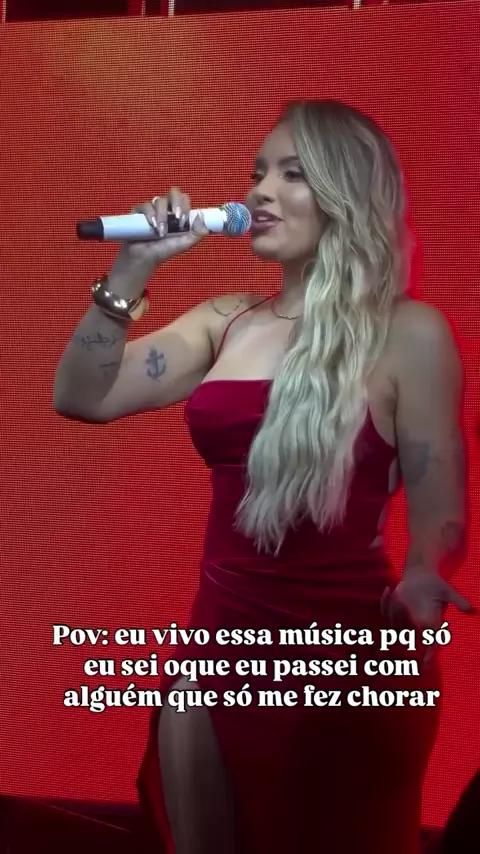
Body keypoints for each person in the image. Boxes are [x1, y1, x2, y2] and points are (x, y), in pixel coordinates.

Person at [54, 99, 474, 854]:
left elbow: (439, 499)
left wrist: (424, 573)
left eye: (292, 174)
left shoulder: (410, 332)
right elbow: (82, 396)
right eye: (256, 174)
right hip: (217, 650)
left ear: (346, 193)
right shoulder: (225, 321)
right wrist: (133, 268)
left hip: (350, 661)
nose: (258, 192)